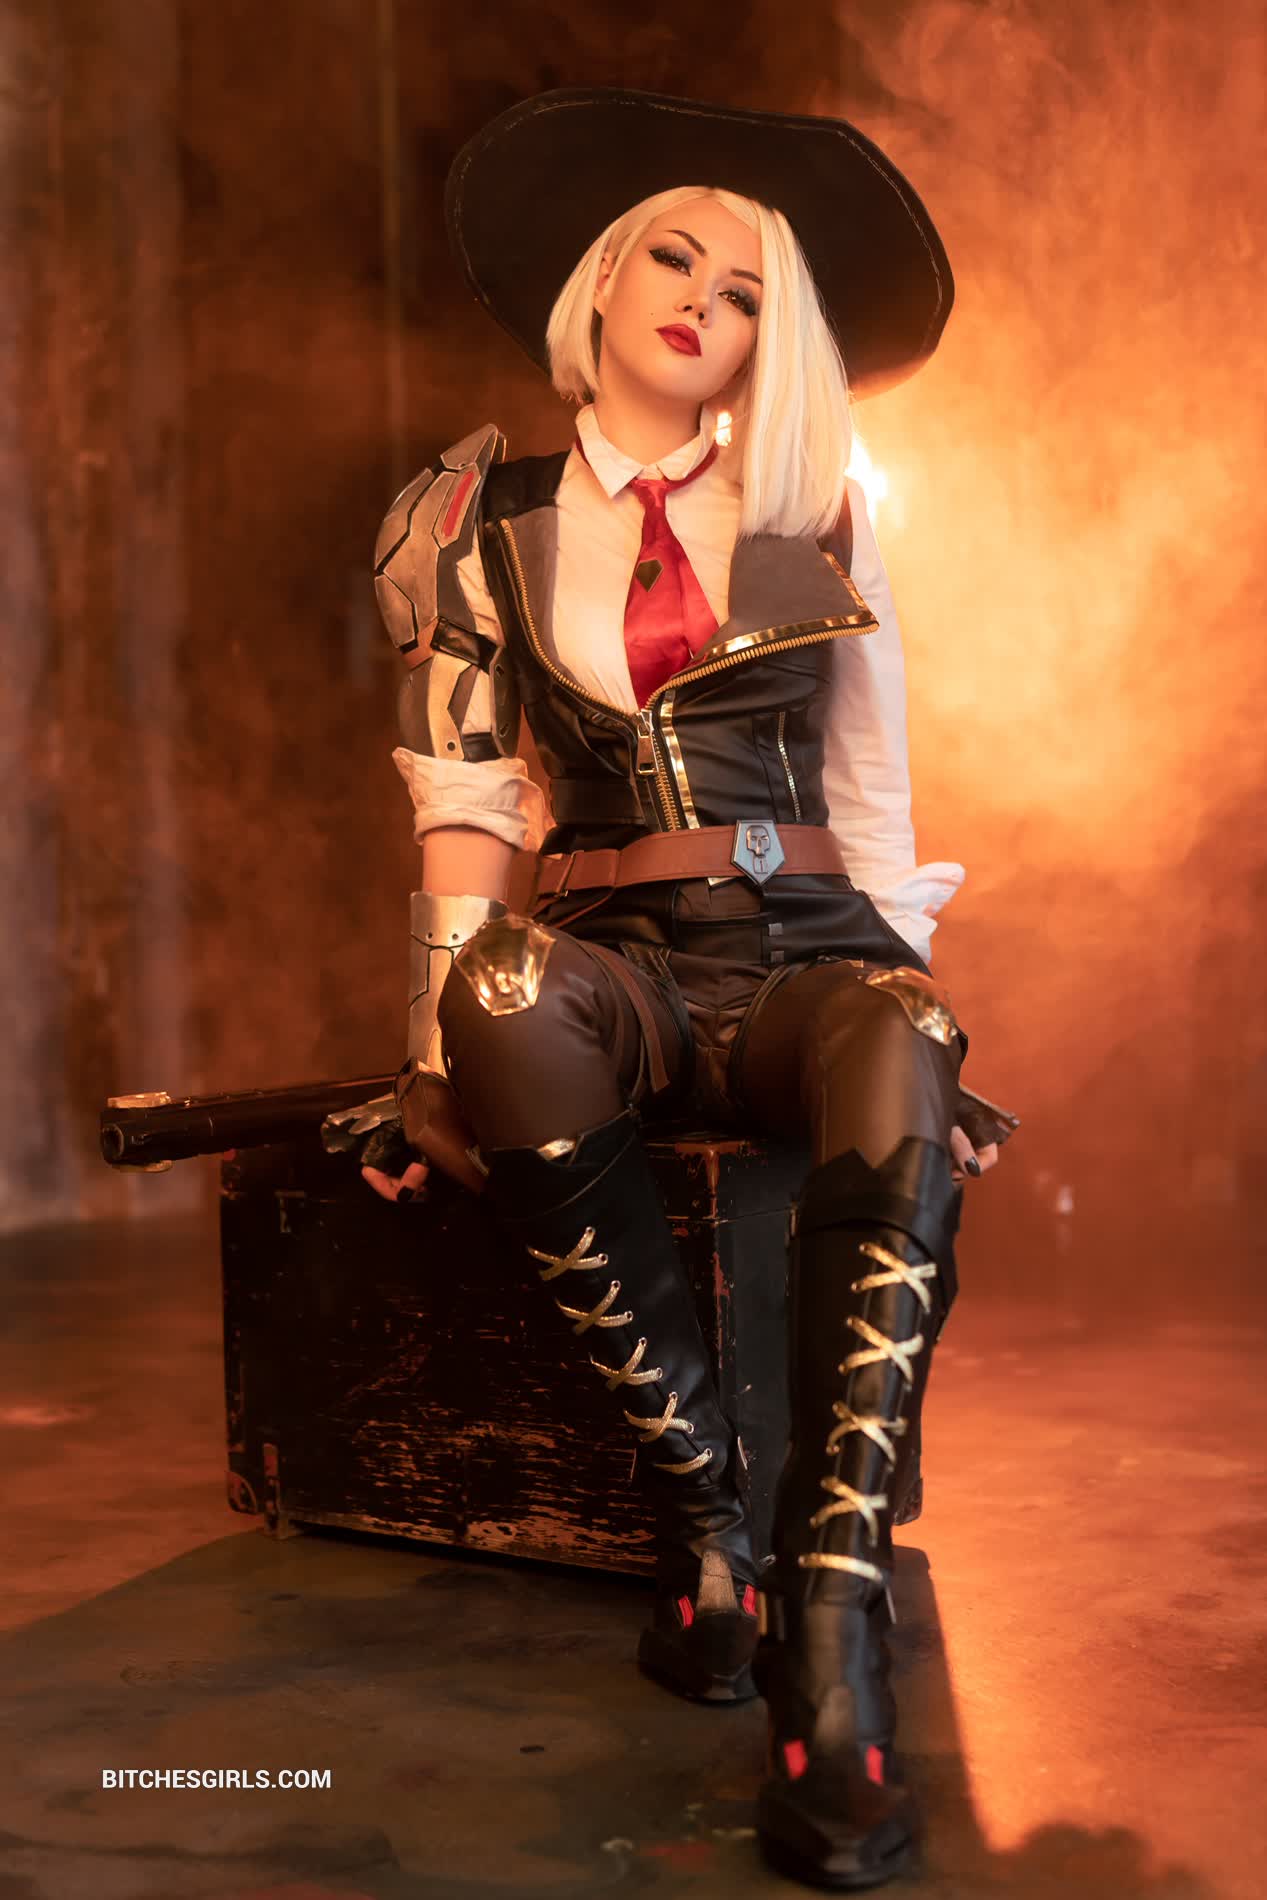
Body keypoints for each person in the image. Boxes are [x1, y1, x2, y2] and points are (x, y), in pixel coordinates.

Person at [356, 87, 1003, 1891]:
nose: (701, 303)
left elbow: (872, 797)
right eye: (674, 258)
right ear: (604, 276)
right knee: (502, 995)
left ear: (764, 345)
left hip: (797, 958)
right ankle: (705, 1522)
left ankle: (829, 1612)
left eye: (743, 293)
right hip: (621, 971)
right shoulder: (471, 516)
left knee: (903, 1029)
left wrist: (920, 1025)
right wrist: (430, 1058)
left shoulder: (820, 507)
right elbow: (470, 804)